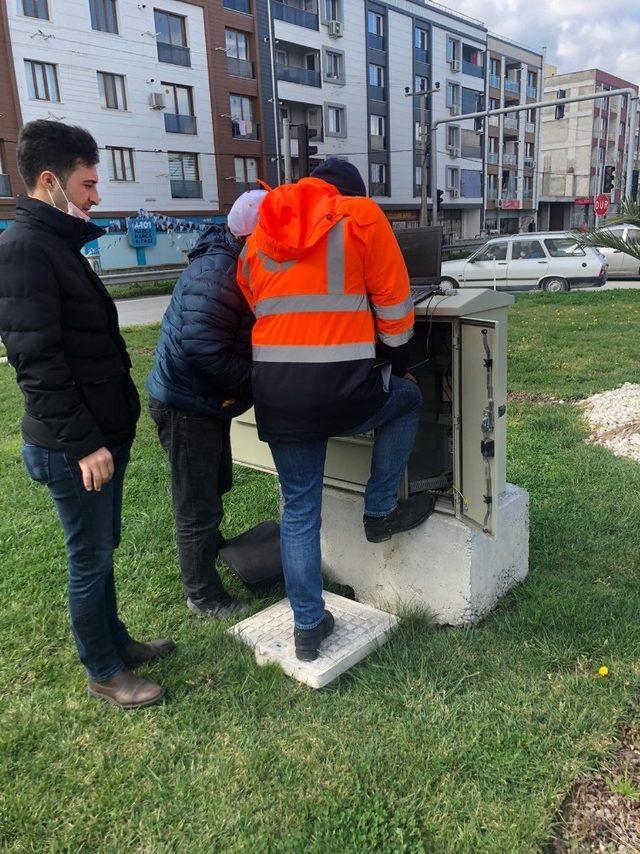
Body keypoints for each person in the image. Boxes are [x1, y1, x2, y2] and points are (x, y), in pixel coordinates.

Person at [0, 120, 174, 710]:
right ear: (49, 182)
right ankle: (102, 670)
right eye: (88, 184)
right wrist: (83, 446)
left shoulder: (55, 244)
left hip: (96, 436)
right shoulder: (24, 250)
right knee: (88, 556)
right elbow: (37, 362)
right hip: (73, 447)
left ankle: (116, 641)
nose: (96, 197)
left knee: (102, 549)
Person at [237, 159, 436, 662]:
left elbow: (252, 296)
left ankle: (308, 627)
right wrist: (396, 361)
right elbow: (393, 305)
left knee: (299, 510)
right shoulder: (361, 216)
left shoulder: (262, 231)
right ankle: (379, 510)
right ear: (347, 192)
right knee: (407, 400)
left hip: (278, 395)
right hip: (340, 391)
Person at [147, 190, 266, 619]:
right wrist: (259, 380)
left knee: (212, 489)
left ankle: (208, 555)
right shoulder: (218, 272)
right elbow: (202, 348)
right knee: (196, 504)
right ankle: (203, 595)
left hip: (202, 401)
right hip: (185, 405)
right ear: (253, 235)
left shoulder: (232, 261)